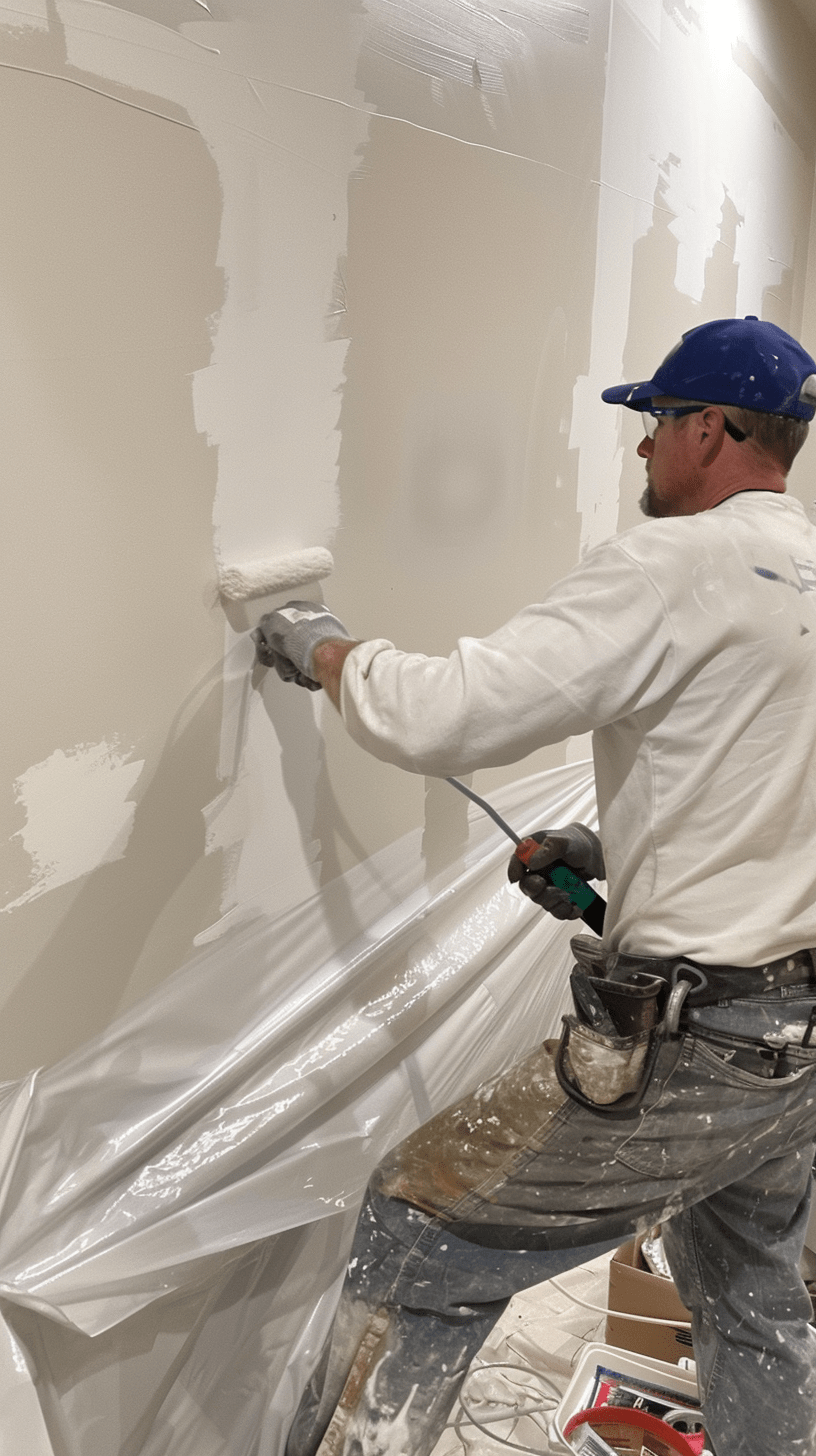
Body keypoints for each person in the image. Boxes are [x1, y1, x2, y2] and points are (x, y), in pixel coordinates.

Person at [254, 316, 816, 1456]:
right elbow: (768, 765)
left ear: (711, 429)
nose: (644, 447)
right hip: (797, 1043)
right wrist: (614, 852)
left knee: (419, 1226)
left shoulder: (674, 565)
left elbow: (446, 715)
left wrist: (324, 650)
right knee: (753, 1298)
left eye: (656, 421)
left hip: (701, 1041)